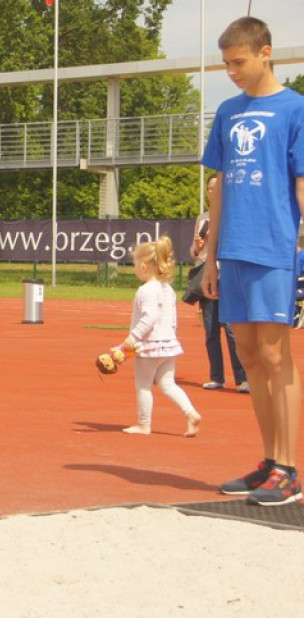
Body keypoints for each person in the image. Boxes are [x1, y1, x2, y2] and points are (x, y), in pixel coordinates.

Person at [201, 16, 304, 506]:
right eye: (226, 65)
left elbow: (302, 184)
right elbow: (217, 188)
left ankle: (289, 466)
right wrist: (211, 259)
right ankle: (269, 462)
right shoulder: (227, 111)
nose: (232, 72)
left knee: (276, 355)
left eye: (238, 62)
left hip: (273, 246)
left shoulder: (295, 109)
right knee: (248, 356)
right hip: (232, 250)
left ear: (266, 52)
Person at [120, 237, 202, 438]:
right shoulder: (168, 290)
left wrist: (133, 337)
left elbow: (149, 317)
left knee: (143, 385)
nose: (134, 270)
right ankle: (190, 413)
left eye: (135, 266)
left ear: (145, 266)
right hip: (168, 345)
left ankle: (144, 424)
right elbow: (171, 319)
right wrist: (171, 337)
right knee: (168, 384)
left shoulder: (146, 290)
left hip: (149, 346)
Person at [189, 175, 249, 393]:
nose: (214, 191)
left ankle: (242, 379)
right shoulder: (203, 217)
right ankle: (216, 377)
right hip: (208, 276)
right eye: (210, 188)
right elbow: (193, 253)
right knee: (211, 330)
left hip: (230, 278)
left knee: (233, 331)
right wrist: (198, 247)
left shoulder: (234, 214)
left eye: (217, 187)